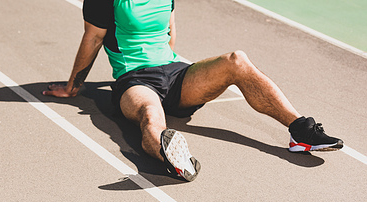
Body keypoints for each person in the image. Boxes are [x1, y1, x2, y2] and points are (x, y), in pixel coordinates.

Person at [43, 0, 343, 181]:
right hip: (134, 80)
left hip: (174, 73)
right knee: (150, 112)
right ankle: (172, 158)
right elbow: (92, 40)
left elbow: (171, 33)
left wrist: (176, 77)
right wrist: (74, 87)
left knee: (236, 60)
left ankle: (300, 131)